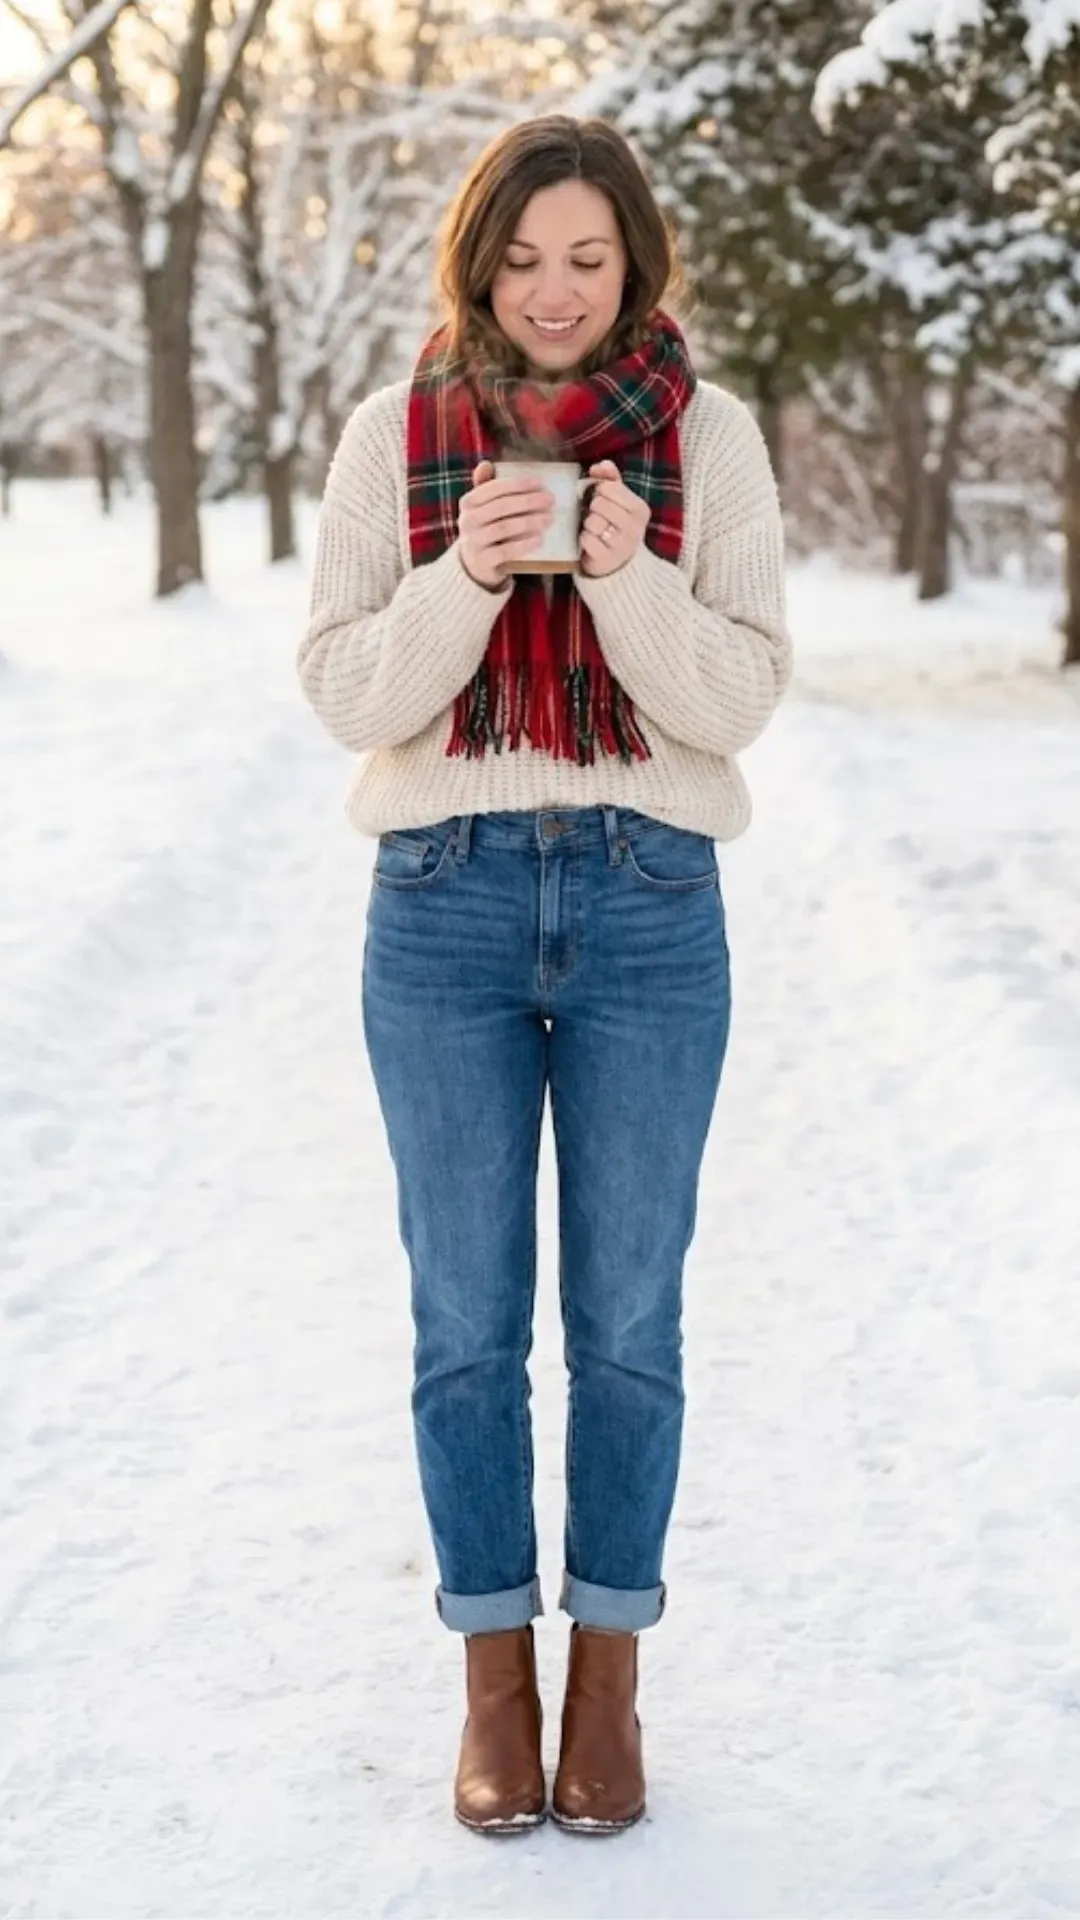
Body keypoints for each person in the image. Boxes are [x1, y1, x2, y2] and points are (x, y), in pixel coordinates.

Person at [297, 112, 791, 1838]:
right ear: (476, 261)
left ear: (635, 261)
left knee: (632, 1326)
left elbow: (732, 704)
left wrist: (626, 566)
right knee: (463, 1326)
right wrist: (470, 572)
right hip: (440, 902)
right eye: (522, 258)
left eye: (588, 257)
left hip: (654, 897)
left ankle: (610, 1684)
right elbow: (354, 696)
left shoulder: (708, 441)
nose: (556, 290)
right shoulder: (395, 435)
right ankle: (492, 1681)